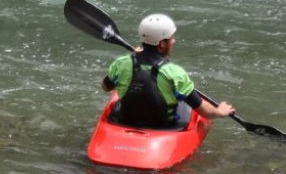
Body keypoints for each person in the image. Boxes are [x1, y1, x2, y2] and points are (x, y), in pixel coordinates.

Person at [100, 13, 236, 129]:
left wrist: (134, 58)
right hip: (161, 127)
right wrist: (219, 111)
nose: (174, 41)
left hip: (127, 121)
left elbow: (106, 87)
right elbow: (205, 112)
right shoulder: (175, 73)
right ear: (162, 44)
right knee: (183, 100)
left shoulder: (122, 63)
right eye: (171, 38)